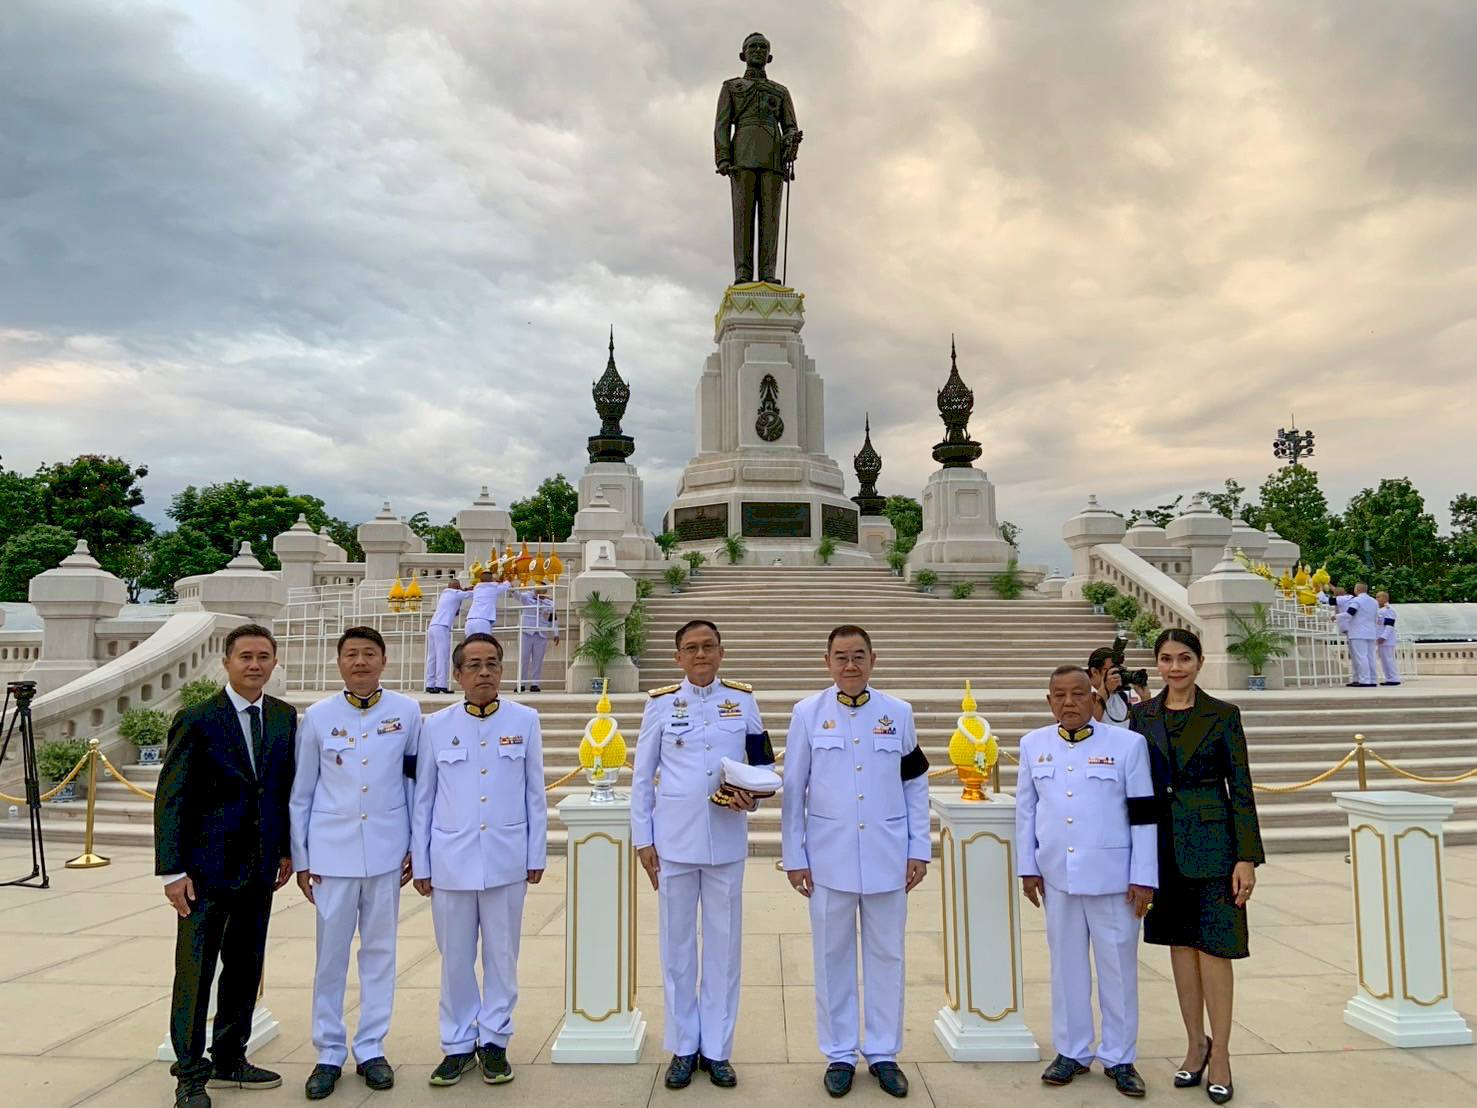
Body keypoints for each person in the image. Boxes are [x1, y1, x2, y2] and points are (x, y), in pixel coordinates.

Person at [781, 625, 930, 1099]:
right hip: (829, 857)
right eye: (841, 656)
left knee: (888, 956)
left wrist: (918, 847)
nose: (850, 665)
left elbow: (914, 784)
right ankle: (840, 1053)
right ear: (827, 662)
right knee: (832, 957)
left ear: (873, 660)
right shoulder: (807, 714)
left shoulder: (898, 713)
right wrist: (794, 855)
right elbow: (794, 790)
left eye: (859, 655)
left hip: (888, 854)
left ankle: (883, 1052)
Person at [155, 624, 297, 1108]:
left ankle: (231, 1055)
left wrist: (285, 849)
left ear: (274, 662)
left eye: (263, 657)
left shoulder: (283, 717)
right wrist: (172, 871)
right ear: (227, 662)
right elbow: (171, 797)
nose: (254, 665)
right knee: (195, 975)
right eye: (245, 657)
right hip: (203, 874)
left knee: (244, 966)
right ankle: (190, 1074)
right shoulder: (197, 719)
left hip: (259, 869)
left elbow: (280, 790)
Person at [631, 619, 772, 1089]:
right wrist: (643, 839)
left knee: (724, 950)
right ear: (678, 657)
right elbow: (642, 777)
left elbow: (763, 765)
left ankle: (717, 1049)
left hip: (725, 839)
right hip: (674, 841)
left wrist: (754, 797)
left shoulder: (744, 700)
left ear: (721, 652)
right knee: (677, 949)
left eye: (708, 646)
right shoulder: (660, 704)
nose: (700, 654)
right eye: (690, 648)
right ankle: (683, 1046)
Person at [1130, 629, 1264, 1106]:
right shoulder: (1142, 716)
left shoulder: (1223, 715)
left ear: (1200, 662)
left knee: (1215, 950)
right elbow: (1132, 786)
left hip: (1214, 847)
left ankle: (1221, 1053)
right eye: (1166, 659)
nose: (1175, 668)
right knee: (1180, 950)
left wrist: (1246, 856)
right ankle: (1195, 1044)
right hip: (1161, 847)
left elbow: (1241, 788)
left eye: (1184, 658)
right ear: (1158, 664)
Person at [290, 627, 421, 1099]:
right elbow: (302, 792)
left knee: (380, 954)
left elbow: (414, 785)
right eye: (351, 654)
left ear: (384, 660)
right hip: (332, 855)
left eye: (369, 654)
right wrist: (302, 857)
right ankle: (328, 1051)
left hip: (387, 852)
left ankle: (371, 1048)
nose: (360, 662)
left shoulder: (407, 712)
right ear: (339, 663)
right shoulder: (318, 717)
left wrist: (415, 846)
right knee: (331, 957)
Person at [412, 633, 547, 1088]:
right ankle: (456, 1044)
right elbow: (424, 798)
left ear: (502, 670)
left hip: (506, 858)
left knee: (502, 956)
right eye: (474, 665)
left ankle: (494, 1040)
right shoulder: (436, 725)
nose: (484, 672)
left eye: (492, 663)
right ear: (457, 674)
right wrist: (423, 862)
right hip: (451, 859)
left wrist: (535, 851)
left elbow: (534, 793)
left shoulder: (525, 720)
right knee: (455, 957)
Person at [1017, 666, 1157, 1098]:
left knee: (1118, 969)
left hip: (1114, 879)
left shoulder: (1127, 744)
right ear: (1049, 701)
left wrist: (1144, 876)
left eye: (1078, 693)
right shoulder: (1033, 745)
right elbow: (1026, 811)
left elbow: (1144, 815)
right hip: (1058, 875)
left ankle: (1119, 1056)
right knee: (1066, 967)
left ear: (1095, 697)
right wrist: (1028, 866)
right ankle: (1072, 1051)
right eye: (1059, 695)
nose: (1069, 702)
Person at [714, 32, 802, 285]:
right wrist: (723, 157)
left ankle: (767, 273)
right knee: (742, 217)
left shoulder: (780, 91)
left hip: (773, 158)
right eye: (753, 47)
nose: (758, 50)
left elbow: (790, 125)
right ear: (742, 55)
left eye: (763, 47)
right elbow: (722, 125)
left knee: (770, 218)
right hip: (741, 156)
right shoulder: (731, 87)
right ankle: (742, 273)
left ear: (769, 57)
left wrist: (791, 140)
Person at [424, 579, 471, 694]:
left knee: (432, 657)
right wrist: (476, 587)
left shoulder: (445, 594)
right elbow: (471, 595)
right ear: (457, 587)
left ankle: (430, 684)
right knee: (442, 656)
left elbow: (461, 593)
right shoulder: (455, 594)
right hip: (442, 626)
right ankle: (441, 685)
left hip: (433, 626)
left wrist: (464, 589)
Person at [1087, 644, 1149, 726]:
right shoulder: (1083, 693)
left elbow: (1136, 726)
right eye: (1113, 671)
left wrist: (1145, 700)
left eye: (1119, 671)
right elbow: (1089, 724)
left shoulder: (1122, 695)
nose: (1118, 675)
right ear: (1094, 671)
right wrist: (1105, 691)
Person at [514, 587, 559, 693]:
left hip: (541, 633)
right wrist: (512, 587)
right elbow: (517, 595)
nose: (541, 592)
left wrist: (556, 633)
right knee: (523, 658)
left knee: (538, 660)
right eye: (539, 590)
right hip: (527, 632)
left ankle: (535, 684)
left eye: (543, 590)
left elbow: (553, 619)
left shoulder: (549, 602)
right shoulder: (527, 597)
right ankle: (521, 683)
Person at [1346, 582, 1380, 687]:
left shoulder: (1356, 600)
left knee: (1361, 657)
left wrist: (1336, 617)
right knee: (1370, 657)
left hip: (1358, 632)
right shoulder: (1374, 601)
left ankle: (1364, 680)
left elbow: (1350, 613)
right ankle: (1372, 679)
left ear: (1357, 589)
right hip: (1371, 632)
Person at [464, 570, 511, 639]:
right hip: (483, 621)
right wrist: (506, 580)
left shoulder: (477, 588)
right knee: (484, 644)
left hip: (469, 621)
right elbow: (506, 586)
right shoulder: (493, 588)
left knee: (471, 644)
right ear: (491, 579)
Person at [1376, 591, 1401, 686]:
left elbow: (1389, 625)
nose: (1376, 599)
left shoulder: (1388, 609)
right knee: (1385, 660)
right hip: (1381, 640)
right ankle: (1389, 678)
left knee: (1389, 659)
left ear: (1385, 598)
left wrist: (1383, 637)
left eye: (1378, 597)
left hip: (1386, 640)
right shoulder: (1381, 610)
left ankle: (1393, 678)